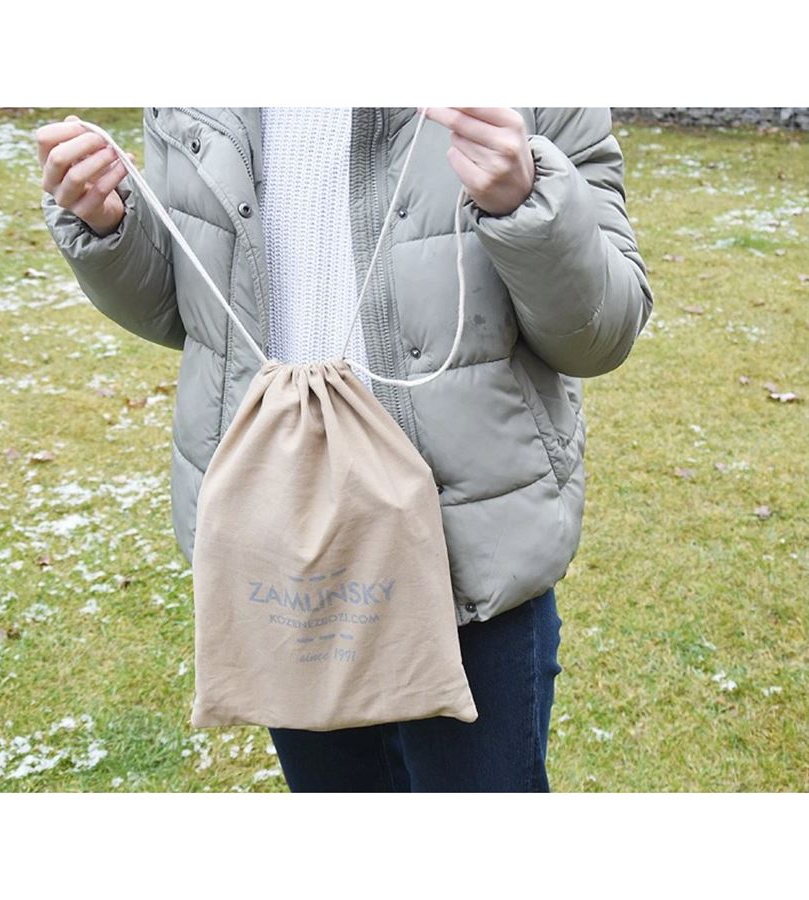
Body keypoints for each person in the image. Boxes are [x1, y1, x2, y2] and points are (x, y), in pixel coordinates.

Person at [36, 106, 653, 792]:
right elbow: (192, 315)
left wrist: (526, 203)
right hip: (282, 540)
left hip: (470, 557)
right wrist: (110, 226)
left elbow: (602, 332)